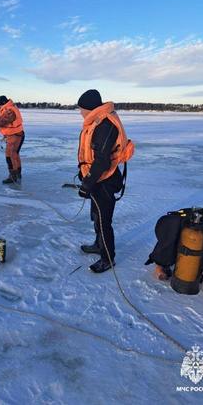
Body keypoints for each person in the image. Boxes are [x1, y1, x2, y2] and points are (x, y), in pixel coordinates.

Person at [76, 89, 132, 273]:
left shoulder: (105, 125)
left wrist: (87, 183)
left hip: (105, 180)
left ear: (90, 108)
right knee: (96, 215)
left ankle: (107, 258)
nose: (80, 112)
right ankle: (98, 244)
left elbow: (102, 161)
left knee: (103, 220)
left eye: (81, 108)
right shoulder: (96, 121)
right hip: (96, 178)